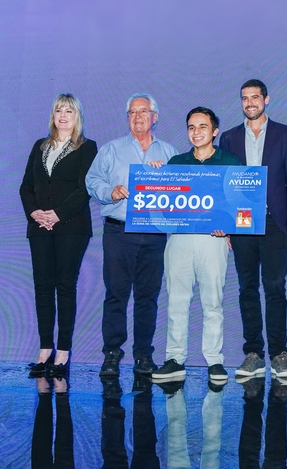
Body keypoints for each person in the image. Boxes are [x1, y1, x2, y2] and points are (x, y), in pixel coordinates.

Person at [86, 93, 177, 377]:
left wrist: (165, 180)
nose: (137, 117)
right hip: (119, 231)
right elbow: (92, 180)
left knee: (148, 297)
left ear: (155, 117)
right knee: (116, 295)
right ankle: (112, 354)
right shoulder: (111, 149)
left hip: (154, 234)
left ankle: (143, 356)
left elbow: (182, 190)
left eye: (143, 111)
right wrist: (109, 192)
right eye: (132, 112)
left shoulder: (170, 153)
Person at [219, 79, 287, 379]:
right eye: (245, 98)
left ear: (266, 100)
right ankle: (253, 354)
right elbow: (224, 185)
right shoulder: (229, 138)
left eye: (255, 97)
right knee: (247, 289)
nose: (250, 103)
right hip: (241, 224)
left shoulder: (285, 134)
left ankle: (279, 355)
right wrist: (227, 225)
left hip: (274, 223)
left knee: (275, 288)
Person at [151, 107, 240, 384]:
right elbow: (161, 208)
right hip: (179, 239)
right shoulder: (175, 163)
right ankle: (175, 359)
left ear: (214, 131)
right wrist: (155, 179)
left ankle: (214, 361)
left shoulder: (231, 163)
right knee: (177, 301)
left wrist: (230, 227)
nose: (196, 132)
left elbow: (242, 204)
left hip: (213, 240)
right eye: (191, 127)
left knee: (212, 302)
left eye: (203, 126)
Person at [20, 94, 97, 377]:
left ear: (77, 116)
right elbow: (26, 187)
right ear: (53, 115)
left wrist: (57, 214)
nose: (63, 115)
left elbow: (84, 188)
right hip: (39, 226)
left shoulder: (87, 147)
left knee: (65, 286)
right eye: (58, 110)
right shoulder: (40, 146)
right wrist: (35, 213)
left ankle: (63, 352)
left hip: (71, 227)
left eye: (69, 110)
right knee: (42, 287)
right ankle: (44, 349)